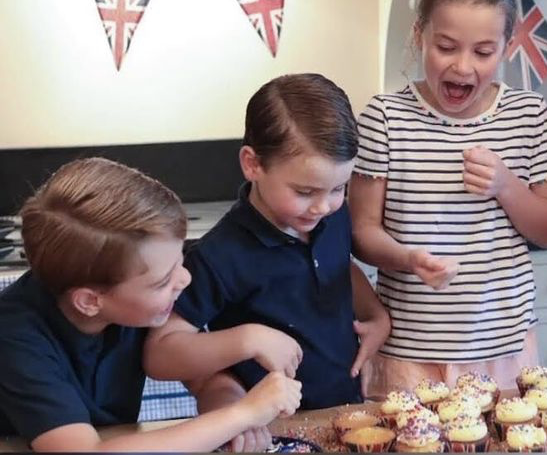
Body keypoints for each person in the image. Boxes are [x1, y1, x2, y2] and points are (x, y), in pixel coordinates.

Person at [349, 0, 547, 395]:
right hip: (408, 353)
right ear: (419, 36)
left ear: (506, 46)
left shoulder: (530, 117)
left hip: (504, 349)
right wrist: (409, 258)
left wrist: (506, 186)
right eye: (446, 47)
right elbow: (361, 234)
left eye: (483, 52)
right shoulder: (385, 119)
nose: (463, 67)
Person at [0, 157, 301, 452]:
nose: (184, 279)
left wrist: (229, 409)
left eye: (180, 260)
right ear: (90, 301)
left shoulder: (139, 305)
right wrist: (242, 414)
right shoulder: (15, 337)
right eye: (162, 281)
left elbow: (204, 378)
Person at [144, 73, 391, 412]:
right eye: (304, 191)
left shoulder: (332, 217)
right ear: (253, 164)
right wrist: (247, 339)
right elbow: (159, 353)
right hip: (271, 425)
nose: (323, 206)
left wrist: (375, 315)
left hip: (344, 412)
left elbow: (338, 267)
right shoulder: (219, 255)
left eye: (338, 188)